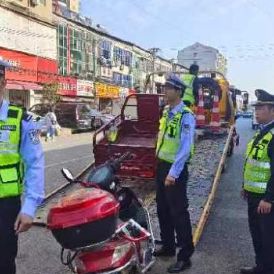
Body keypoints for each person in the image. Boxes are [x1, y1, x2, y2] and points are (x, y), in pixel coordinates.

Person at [0, 60, 45, 274]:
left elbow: (35, 164)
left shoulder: (23, 120)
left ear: (2, 82)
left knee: (4, 262)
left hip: (5, 206)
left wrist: (29, 208)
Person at [154, 74, 196, 273]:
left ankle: (185, 257)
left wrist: (173, 173)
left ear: (178, 91)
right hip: (162, 166)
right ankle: (169, 247)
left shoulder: (186, 115)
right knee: (162, 209)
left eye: (169, 87)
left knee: (179, 213)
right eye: (164, 87)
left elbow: (185, 148)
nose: (165, 90)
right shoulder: (166, 112)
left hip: (175, 171)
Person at [241, 89, 274, 274]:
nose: (257, 111)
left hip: (265, 199)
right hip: (253, 195)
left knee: (268, 238)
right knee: (257, 235)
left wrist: (269, 198)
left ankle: (267, 269)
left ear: (273, 111)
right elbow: (252, 162)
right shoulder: (261, 133)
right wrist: (244, 187)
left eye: (261, 107)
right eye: (257, 107)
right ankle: (260, 267)